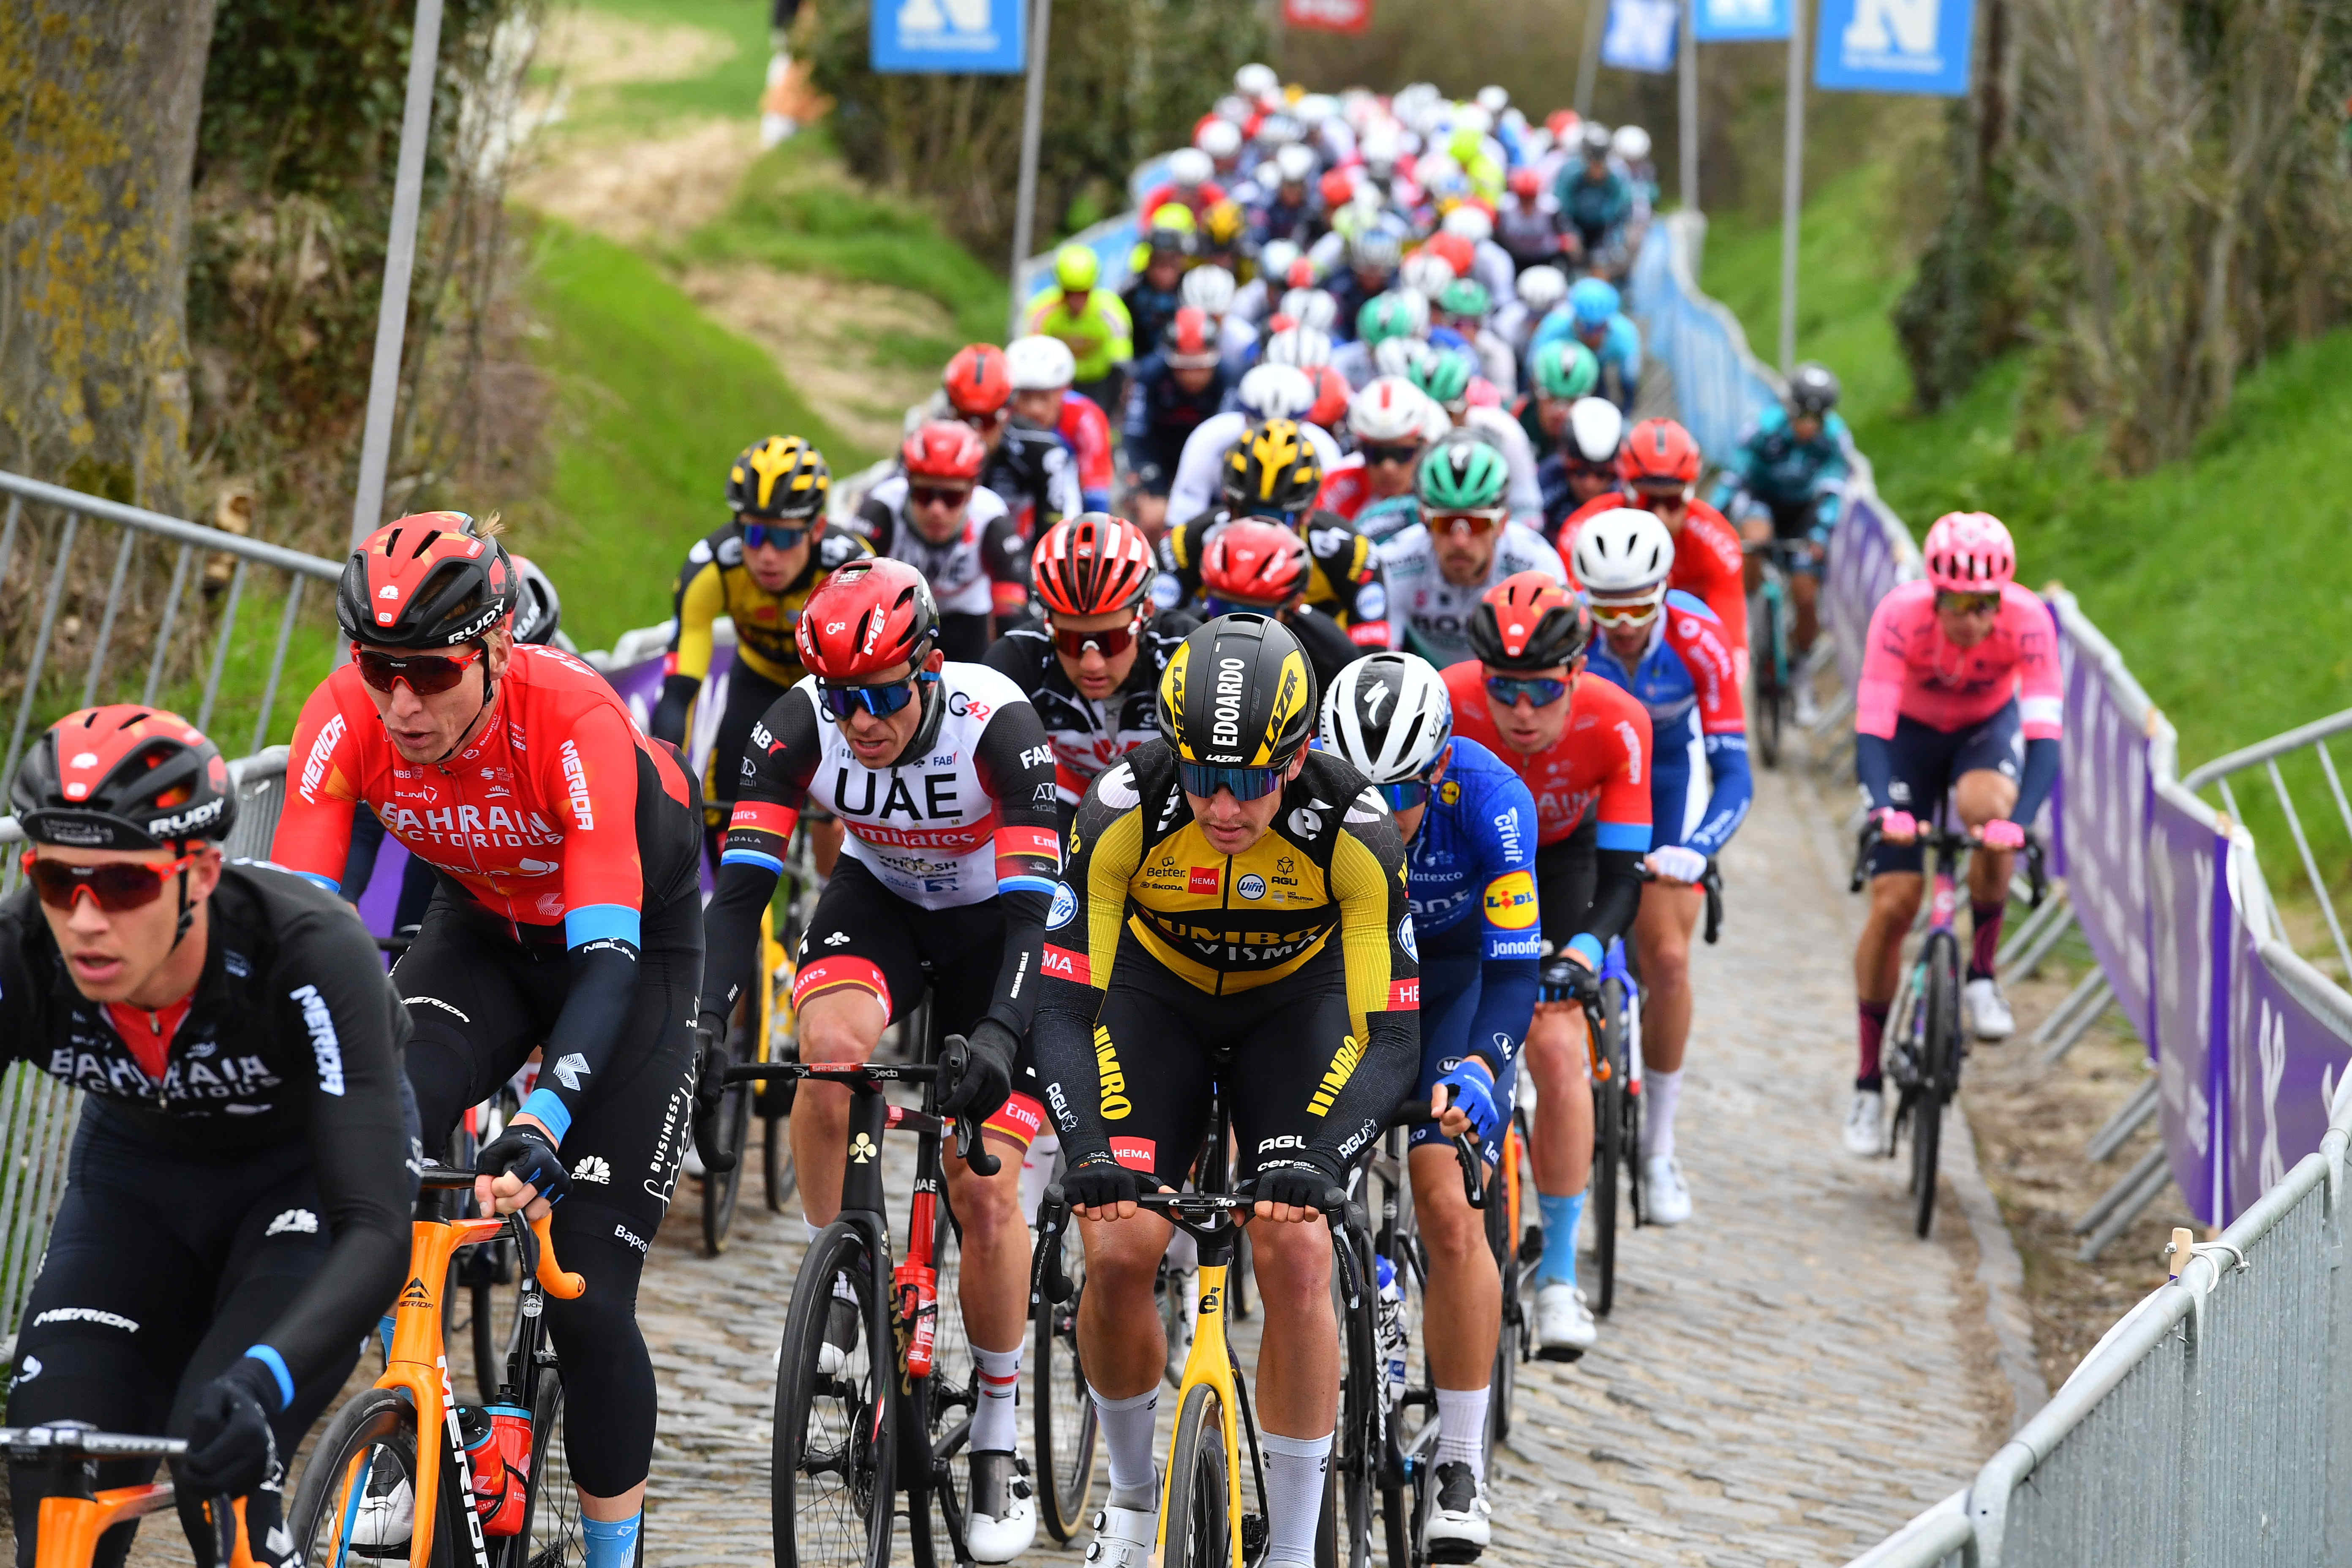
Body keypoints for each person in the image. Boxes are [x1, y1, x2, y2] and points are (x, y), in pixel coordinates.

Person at [275, 514, 705, 1567]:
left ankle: (611, 1555)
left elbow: (607, 963)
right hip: (480, 933)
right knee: (378, 1144)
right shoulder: (344, 718)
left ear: (497, 648)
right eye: (380, 669)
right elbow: (296, 932)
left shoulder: (574, 720)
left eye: (431, 672)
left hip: (632, 951)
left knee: (587, 1294)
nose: (402, 704)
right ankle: (408, 1427)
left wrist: (547, 1113)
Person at [1034, 615, 1420, 1568]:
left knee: (1295, 1247)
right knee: (1118, 1245)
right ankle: (1130, 1500)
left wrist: (1324, 1158)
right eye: (1203, 775)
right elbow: (1062, 1008)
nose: (1222, 805)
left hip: (1295, 1007)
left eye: (1250, 780)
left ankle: (1292, 1546)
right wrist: (1086, 1150)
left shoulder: (1355, 826)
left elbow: (1391, 1033)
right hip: (1154, 1000)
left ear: (1297, 756)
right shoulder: (1121, 807)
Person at [700, 558, 1062, 1560]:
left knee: (982, 1185)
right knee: (827, 1057)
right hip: (884, 902)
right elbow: (740, 897)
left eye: (881, 697)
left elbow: (1034, 917)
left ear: (929, 668)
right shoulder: (796, 724)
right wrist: (702, 1023)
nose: (860, 721)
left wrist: (1002, 1033)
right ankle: (849, 1280)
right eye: (841, 698)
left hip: (999, 927)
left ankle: (997, 1431)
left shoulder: (998, 725)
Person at [4, 708, 412, 1568]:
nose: (85, 919)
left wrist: (263, 1381)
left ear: (199, 873)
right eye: (57, 880)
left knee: (216, 1458)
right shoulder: (22, 954)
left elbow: (377, 1226)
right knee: (53, 1464)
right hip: (135, 1183)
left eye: (125, 884)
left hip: (302, 1182)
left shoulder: (306, 952)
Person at [1317, 655, 1540, 1556]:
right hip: (1347, 974)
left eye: (1401, 795)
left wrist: (1484, 1065)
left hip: (1454, 981)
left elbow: (1514, 970)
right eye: (1359, 795)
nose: (1379, 815)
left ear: (1440, 768)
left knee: (1447, 1201)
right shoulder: (1305, 798)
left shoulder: (1494, 801)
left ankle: (1459, 1462)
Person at [1442, 574, 1651, 1360]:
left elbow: (1624, 878)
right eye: (1503, 688)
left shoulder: (1618, 720)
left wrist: (1580, 954)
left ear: (1576, 673)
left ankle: (1559, 1275)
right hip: (1466, 866)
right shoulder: (1445, 701)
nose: (1522, 711)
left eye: (1542, 691)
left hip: (1562, 869)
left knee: (1560, 1046)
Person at [1846, 513, 2060, 1152]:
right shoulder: (1899, 615)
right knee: (1895, 903)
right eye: (1958, 604)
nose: (1972, 618)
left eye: (1986, 603)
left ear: (2004, 596)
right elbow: (1872, 727)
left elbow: (2046, 738)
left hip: (1981, 734)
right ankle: (1866, 1084)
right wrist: (1883, 810)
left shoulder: (2030, 622)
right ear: (1934, 594)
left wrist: (2019, 824)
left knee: (1990, 812)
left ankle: (1982, 974)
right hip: (1907, 741)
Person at [1574, 510, 1753, 1224]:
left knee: (1669, 961)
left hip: (1667, 786)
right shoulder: (1566, 632)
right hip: (1588, 782)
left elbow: (1735, 771)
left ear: (1664, 591)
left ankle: (1657, 1150)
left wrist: (1699, 848)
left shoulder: (1698, 636)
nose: (1621, 625)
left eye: (1637, 607)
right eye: (1606, 608)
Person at [652, 435, 868, 871]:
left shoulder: (851, 571)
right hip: (760, 680)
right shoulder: (712, 567)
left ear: (817, 530)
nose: (767, 555)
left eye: (784, 537)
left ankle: (832, 890)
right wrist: (664, 782)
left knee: (846, 816)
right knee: (725, 812)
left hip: (835, 688)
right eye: (753, 533)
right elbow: (678, 693)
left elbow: (877, 676)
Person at [986, 514, 1197, 823]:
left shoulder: (1188, 652)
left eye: (1111, 641)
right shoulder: (1018, 656)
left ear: (1146, 614)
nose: (1092, 664)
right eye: (1070, 641)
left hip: (1165, 802)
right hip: (1063, 799)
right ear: (1047, 623)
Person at [1154, 416, 1391, 649]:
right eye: (1248, 514)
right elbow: (1152, 628)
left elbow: (1371, 651)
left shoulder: (1350, 552)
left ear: (1308, 512)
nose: (1262, 530)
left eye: (1281, 519)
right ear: (1227, 503)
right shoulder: (1187, 542)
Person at [1710, 362, 1851, 721]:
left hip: (1803, 512)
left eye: (1818, 418)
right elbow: (1734, 477)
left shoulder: (1834, 438)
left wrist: (1820, 535)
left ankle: (1801, 670)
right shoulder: (1763, 429)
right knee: (1755, 539)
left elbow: (1833, 492)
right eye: (1802, 415)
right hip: (1764, 502)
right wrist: (1711, 516)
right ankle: (1748, 615)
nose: (1809, 425)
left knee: (1806, 595)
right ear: (1790, 408)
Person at [1559, 416, 1749, 667]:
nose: (1659, 516)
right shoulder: (1583, 529)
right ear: (1625, 491)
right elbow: (1566, 626)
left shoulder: (1717, 539)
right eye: (1647, 500)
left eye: (1672, 502)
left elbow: (1731, 642)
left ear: (1689, 495)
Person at [852, 421, 1030, 662]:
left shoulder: (991, 518)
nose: (937, 510)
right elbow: (852, 592)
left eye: (952, 497)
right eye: (924, 495)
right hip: (897, 613)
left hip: (965, 617)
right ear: (908, 484)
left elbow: (1011, 612)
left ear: (972, 492)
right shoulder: (881, 509)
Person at [1380, 441, 1568, 667]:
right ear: (1424, 520)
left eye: (1476, 524)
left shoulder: (1536, 564)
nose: (1460, 541)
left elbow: (1555, 663)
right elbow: (1380, 661)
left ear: (1502, 523)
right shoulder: (1395, 563)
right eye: (1445, 523)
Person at [1163, 363, 1342, 527]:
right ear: (1245, 415)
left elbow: (1328, 519)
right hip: (1222, 520)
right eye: (1259, 423)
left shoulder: (1323, 448)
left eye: (1288, 425)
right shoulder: (1211, 437)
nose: (1272, 435)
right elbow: (1185, 510)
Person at [1195, 516, 1364, 688]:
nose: (1237, 628)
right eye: (1222, 609)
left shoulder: (1333, 656)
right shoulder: (1183, 634)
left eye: (1256, 617)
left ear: (1294, 605)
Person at [942, 342, 1083, 541]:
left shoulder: (1044, 450)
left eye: (988, 420)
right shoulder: (924, 440)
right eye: (965, 418)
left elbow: (1058, 535)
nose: (976, 432)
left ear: (1007, 413)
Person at [1122, 307, 1231, 538]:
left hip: (1212, 463)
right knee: (1154, 518)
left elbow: (1232, 436)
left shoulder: (1230, 378)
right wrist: (1147, 477)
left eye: (1200, 368)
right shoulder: (1150, 374)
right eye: (1183, 368)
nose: (1192, 377)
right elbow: (1135, 432)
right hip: (1160, 456)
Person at [1405, 352, 1546, 530]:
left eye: (1447, 413)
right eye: (1427, 418)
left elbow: (1527, 507)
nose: (1438, 423)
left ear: (1466, 405)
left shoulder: (1502, 432)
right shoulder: (1405, 440)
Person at [1007, 333, 1115, 514]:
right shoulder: (1001, 415)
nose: (1035, 409)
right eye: (1025, 397)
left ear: (1066, 390)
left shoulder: (1086, 418)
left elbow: (1096, 492)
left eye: (1044, 397)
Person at [1023, 244, 1134, 418]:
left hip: (1098, 384)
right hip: (1057, 383)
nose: (1076, 300)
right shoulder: (1042, 310)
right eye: (1070, 293)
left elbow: (1122, 364)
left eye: (1083, 293)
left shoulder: (1111, 312)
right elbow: (1031, 356)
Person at [1312, 374, 1437, 523]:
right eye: (1376, 454)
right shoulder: (1336, 486)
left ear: (1423, 447)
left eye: (1402, 454)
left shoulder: (1440, 488)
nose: (1388, 468)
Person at [1531, 277, 1642, 412]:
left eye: (1598, 329)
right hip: (1560, 373)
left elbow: (1629, 378)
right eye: (1585, 328)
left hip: (1598, 375)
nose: (1591, 336)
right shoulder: (1554, 326)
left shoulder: (1624, 336)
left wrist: (1626, 410)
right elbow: (1533, 365)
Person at [1538, 395, 1624, 538]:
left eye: (1602, 475)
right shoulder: (1546, 482)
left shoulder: (1626, 494)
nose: (1589, 485)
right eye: (1580, 472)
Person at [1553, 122, 1634, 271]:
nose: (1597, 163)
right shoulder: (1569, 173)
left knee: (1608, 262)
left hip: (1604, 230)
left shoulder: (1618, 175)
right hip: (1575, 226)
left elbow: (1621, 213)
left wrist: (1614, 242)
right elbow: (1561, 209)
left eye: (1601, 157)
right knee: (1569, 259)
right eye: (1593, 157)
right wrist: (1570, 235)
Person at [1122, 215, 1195, 375]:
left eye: (1171, 263)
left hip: (1186, 366)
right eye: (1159, 262)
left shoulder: (1192, 289)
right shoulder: (1131, 292)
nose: (1164, 272)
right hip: (1140, 365)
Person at [1517, 339, 1601, 463]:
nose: (1560, 411)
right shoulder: (1518, 418)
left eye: (1571, 400)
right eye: (1552, 398)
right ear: (1535, 391)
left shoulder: (1600, 436)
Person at [1497, 166, 1568, 272]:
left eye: (1531, 198)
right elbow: (1498, 237)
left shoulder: (1550, 209)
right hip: (1515, 258)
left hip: (1544, 258)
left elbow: (1565, 237)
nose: (1527, 202)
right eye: (1523, 198)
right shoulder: (1504, 208)